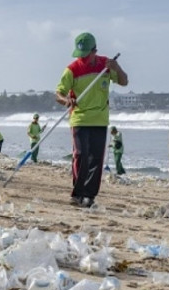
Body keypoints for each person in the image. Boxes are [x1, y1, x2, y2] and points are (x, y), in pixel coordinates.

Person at [55, 32, 128, 208]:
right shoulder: (72, 69)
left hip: (100, 119)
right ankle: (77, 193)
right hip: (79, 117)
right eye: (81, 55)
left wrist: (116, 68)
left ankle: (89, 195)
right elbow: (59, 93)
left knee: (96, 159)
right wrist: (66, 100)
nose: (83, 58)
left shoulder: (106, 65)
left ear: (95, 51)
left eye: (86, 54)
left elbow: (124, 82)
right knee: (81, 155)